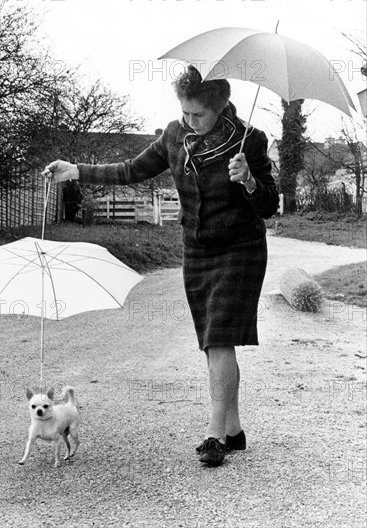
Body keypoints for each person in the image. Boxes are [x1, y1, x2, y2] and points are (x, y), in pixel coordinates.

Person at [42, 65, 279, 467]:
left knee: (220, 337)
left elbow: (269, 205)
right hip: (197, 251)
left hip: (242, 249)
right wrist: (77, 171)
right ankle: (234, 430)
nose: (189, 121)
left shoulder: (250, 141)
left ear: (220, 108)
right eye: (184, 112)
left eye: (197, 115)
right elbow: (132, 169)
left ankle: (214, 435)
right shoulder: (173, 135)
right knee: (212, 342)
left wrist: (250, 181)